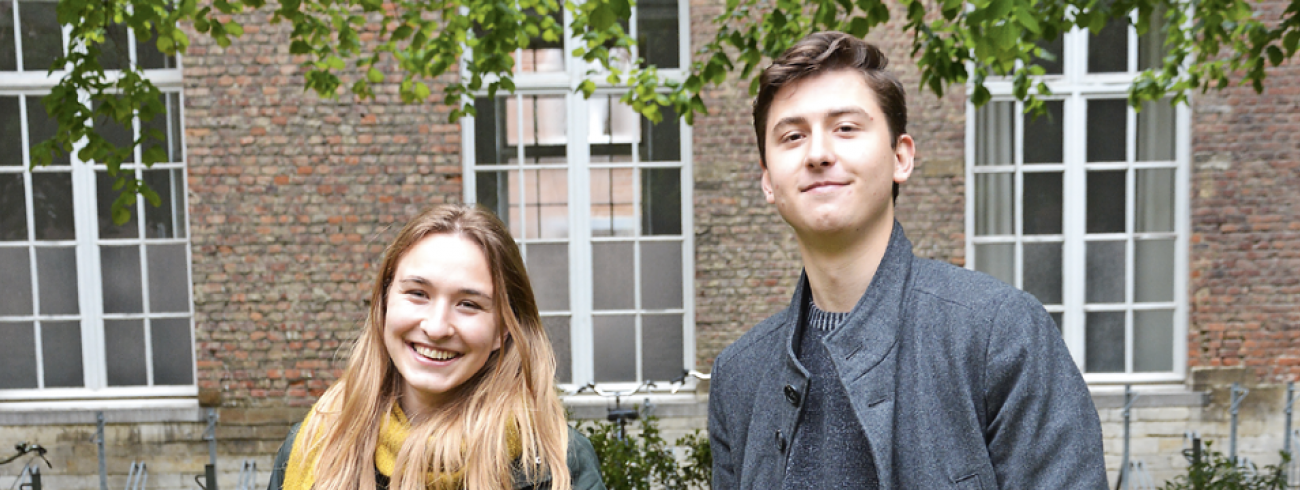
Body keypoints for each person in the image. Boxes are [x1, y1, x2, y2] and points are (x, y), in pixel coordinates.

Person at [707, 31, 1108, 489]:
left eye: (846, 128)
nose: (818, 154)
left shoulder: (998, 333)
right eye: (793, 136)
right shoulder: (738, 376)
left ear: (901, 157)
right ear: (767, 179)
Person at [267, 204, 606, 490]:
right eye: (418, 293)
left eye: (468, 304)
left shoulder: (557, 464)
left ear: (503, 328)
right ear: (384, 303)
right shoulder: (314, 443)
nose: (437, 327)